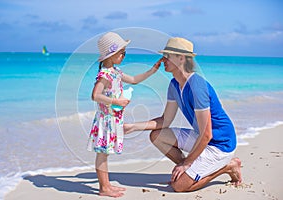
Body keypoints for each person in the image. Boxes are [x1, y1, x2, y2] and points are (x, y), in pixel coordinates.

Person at [124, 37, 242, 192]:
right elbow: (164, 121)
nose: (163, 59)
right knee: (157, 135)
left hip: (221, 144)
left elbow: (207, 134)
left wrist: (187, 164)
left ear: (181, 58)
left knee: (179, 186)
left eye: (167, 56)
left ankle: (228, 166)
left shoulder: (197, 87)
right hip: (203, 139)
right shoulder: (174, 85)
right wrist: (133, 127)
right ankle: (191, 170)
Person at [87, 32, 163, 197]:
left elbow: (135, 79)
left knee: (105, 153)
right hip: (105, 120)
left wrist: (152, 71)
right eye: (122, 52)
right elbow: (95, 95)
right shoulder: (105, 75)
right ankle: (103, 188)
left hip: (113, 119)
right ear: (111, 54)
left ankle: (106, 185)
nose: (124, 55)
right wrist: (116, 101)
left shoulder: (116, 72)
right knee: (102, 154)